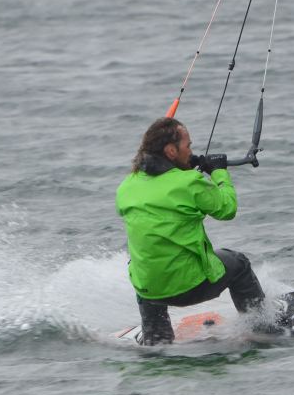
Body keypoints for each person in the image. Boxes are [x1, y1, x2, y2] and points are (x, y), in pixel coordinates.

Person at [115, 116, 268, 345]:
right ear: (170, 151)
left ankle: (157, 340)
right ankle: (262, 326)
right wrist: (218, 172)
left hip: (149, 291)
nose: (191, 151)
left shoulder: (127, 186)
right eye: (188, 146)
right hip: (190, 288)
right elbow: (227, 209)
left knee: (147, 273)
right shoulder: (189, 183)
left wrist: (183, 169)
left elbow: (159, 192)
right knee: (238, 263)